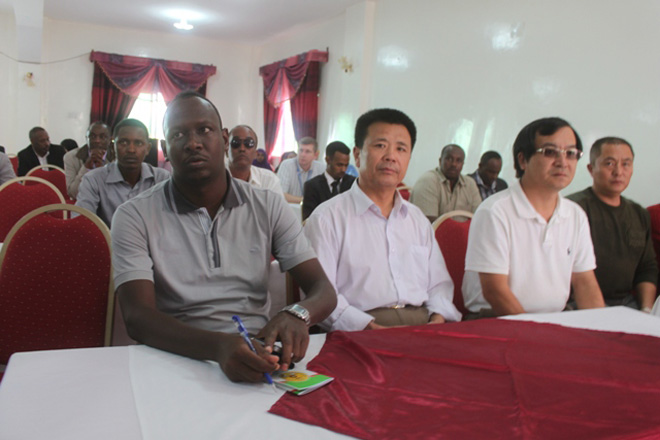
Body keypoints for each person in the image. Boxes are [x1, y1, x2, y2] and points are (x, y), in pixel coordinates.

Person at [111, 92, 336, 383]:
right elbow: (137, 318)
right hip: (175, 356)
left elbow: (323, 290)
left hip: (258, 351)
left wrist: (297, 314)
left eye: (204, 130)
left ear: (225, 138)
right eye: (178, 135)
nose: (193, 143)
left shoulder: (267, 205)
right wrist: (218, 347)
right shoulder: (134, 215)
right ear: (165, 149)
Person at [305, 108, 461, 331]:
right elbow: (321, 296)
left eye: (401, 149)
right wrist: (370, 328)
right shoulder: (327, 219)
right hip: (358, 329)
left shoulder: (417, 219)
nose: (391, 156)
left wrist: (436, 320)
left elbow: (439, 285)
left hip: (423, 325)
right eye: (380, 145)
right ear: (357, 155)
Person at [462, 117, 605, 317]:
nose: (563, 162)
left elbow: (585, 282)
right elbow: (495, 291)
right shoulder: (495, 212)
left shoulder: (575, 215)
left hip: (554, 318)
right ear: (522, 160)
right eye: (550, 152)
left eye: (571, 153)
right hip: (495, 319)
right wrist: (535, 331)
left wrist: (601, 325)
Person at [567, 137, 657, 312]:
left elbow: (647, 268)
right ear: (591, 169)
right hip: (579, 302)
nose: (618, 172)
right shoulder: (573, 209)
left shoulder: (639, 213)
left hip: (627, 303)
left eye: (626, 164)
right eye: (609, 164)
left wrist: (646, 311)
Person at [75, 119, 169, 227]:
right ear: (113, 147)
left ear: (147, 148)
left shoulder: (162, 178)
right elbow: (81, 223)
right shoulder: (93, 180)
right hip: (108, 238)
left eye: (138, 143)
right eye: (124, 142)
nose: (131, 149)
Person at [410, 144, 481, 222]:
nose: (454, 164)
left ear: (462, 164)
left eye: (458, 160)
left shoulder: (470, 183)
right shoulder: (428, 181)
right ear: (440, 161)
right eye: (449, 159)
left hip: (461, 230)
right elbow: (428, 222)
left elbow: (478, 217)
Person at [302, 141, 356, 220]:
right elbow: (309, 219)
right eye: (339, 165)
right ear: (328, 160)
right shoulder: (312, 186)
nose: (343, 169)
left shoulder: (353, 184)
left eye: (346, 165)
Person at [226, 125, 283, 196]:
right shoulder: (215, 179)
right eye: (236, 143)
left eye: (249, 143)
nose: (242, 149)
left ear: (255, 154)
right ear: (226, 151)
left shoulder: (269, 180)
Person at [63, 121, 115, 199]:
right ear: (86, 138)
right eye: (92, 136)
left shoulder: (117, 158)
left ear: (110, 139)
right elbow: (72, 193)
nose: (97, 140)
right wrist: (86, 168)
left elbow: (117, 194)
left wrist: (103, 170)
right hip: (81, 202)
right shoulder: (71, 157)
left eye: (102, 137)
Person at [277, 137, 324, 203]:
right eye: (301, 150)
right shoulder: (286, 165)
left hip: (312, 208)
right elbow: (280, 194)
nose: (303, 155)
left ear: (315, 155)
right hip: (290, 207)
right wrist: (306, 200)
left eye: (307, 151)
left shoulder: (321, 168)